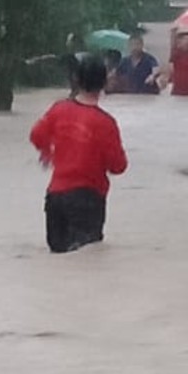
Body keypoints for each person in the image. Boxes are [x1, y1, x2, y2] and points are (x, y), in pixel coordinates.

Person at [29, 54, 128, 254]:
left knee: (59, 263)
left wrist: (48, 153)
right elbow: (118, 166)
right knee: (86, 265)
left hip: (55, 197)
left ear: (76, 79)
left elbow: (36, 135)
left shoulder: (59, 109)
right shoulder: (105, 123)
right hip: (88, 200)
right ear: (103, 84)